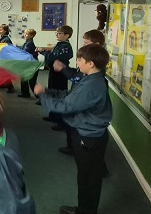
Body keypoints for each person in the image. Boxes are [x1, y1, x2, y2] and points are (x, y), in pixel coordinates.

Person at [34, 45, 112, 214]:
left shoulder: (92, 85)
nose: (76, 62)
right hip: (88, 133)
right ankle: (85, 208)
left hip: (88, 137)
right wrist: (48, 91)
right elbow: (71, 96)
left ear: (90, 63)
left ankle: (85, 211)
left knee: (88, 177)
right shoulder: (89, 78)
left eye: (79, 60)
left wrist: (42, 95)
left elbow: (66, 106)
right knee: (87, 175)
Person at [53, 30, 106, 156]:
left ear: (96, 44)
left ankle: (74, 148)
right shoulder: (92, 60)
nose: (83, 45)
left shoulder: (95, 67)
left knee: (76, 128)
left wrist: (63, 69)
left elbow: (77, 78)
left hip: (86, 114)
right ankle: (73, 147)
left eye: (86, 43)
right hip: (80, 99)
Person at [19, 29, 39, 98]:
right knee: (23, 78)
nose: (25, 35)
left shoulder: (30, 44)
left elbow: (26, 53)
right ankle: (25, 93)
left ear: (31, 36)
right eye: (24, 33)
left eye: (26, 34)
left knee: (32, 81)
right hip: (27, 63)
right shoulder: (27, 42)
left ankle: (40, 96)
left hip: (31, 64)